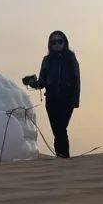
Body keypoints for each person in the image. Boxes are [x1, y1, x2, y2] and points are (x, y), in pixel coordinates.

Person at [23, 30, 80, 158]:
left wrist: (75, 101)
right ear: (50, 44)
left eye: (60, 41)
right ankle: (61, 157)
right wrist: (32, 83)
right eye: (53, 42)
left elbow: (76, 80)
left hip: (67, 100)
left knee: (61, 129)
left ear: (65, 42)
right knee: (56, 130)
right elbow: (42, 81)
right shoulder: (47, 60)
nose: (57, 44)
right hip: (51, 100)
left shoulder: (70, 58)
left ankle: (63, 156)